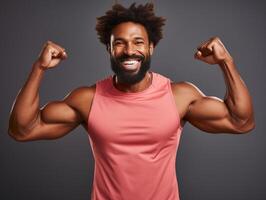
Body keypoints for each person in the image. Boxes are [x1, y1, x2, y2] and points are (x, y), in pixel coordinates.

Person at [8, 2, 255, 200]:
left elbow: (241, 121)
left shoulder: (179, 96)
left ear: (151, 47)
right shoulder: (88, 99)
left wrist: (226, 62)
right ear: (109, 49)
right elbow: (23, 129)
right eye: (119, 43)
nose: (129, 50)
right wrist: (39, 68)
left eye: (138, 42)